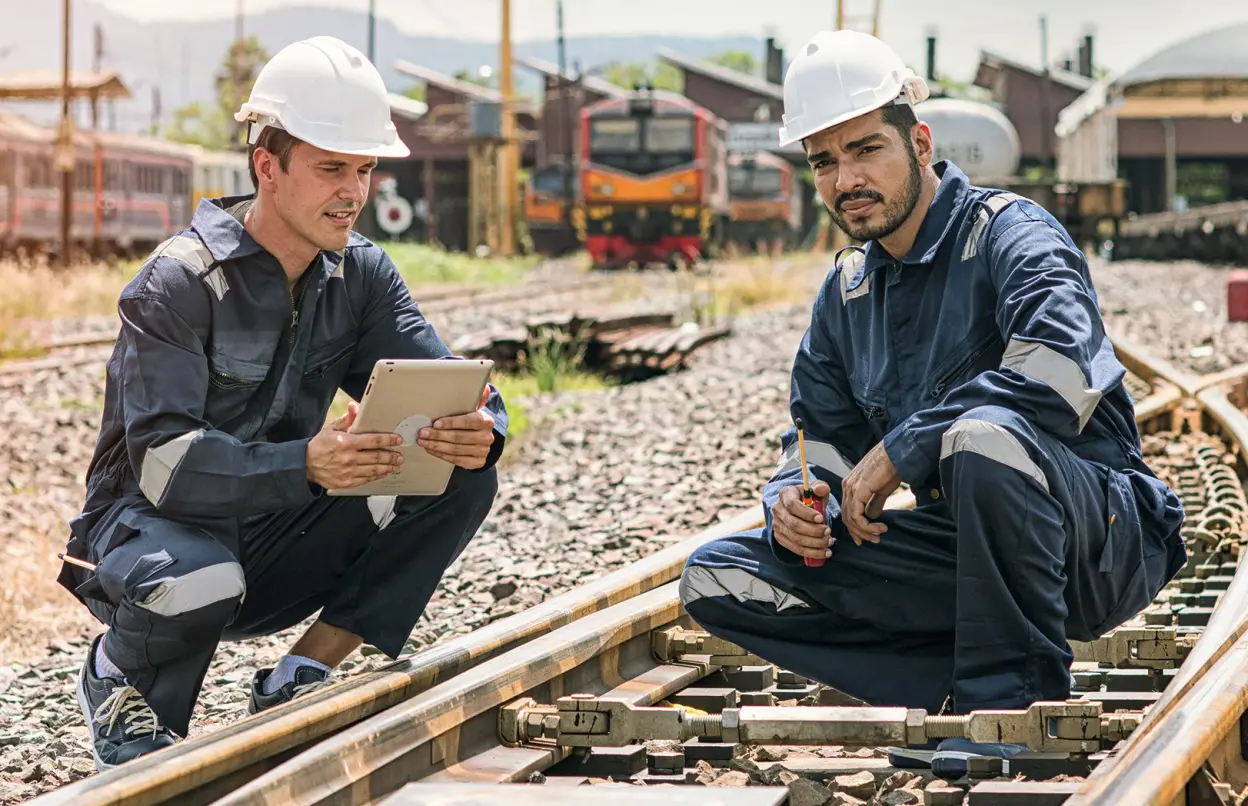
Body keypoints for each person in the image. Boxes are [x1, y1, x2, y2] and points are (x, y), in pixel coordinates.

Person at [678, 29, 1186, 778]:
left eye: (865, 150)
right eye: (825, 161)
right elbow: (818, 443)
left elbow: (1057, 373)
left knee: (982, 436)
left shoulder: (1012, 235)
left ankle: (1014, 711)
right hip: (966, 554)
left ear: (919, 142)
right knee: (719, 578)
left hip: (1095, 540)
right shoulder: (847, 294)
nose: (846, 178)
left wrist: (908, 445)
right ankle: (954, 689)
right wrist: (795, 501)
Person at [56, 36, 507, 771]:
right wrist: (309, 463)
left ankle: (301, 675)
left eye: (363, 169)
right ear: (268, 166)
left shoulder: (360, 274)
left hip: (272, 539)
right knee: (200, 576)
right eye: (332, 168)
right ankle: (119, 681)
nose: (354, 191)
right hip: (153, 537)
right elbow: (167, 467)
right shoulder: (176, 284)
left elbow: (458, 382)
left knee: (460, 473)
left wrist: (479, 429)